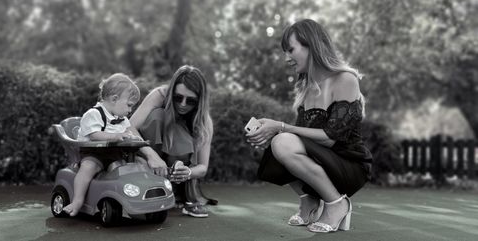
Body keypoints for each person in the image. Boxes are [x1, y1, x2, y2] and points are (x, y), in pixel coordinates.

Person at [246, 19, 372, 233]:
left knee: (283, 140)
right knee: (277, 144)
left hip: (349, 164)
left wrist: (281, 127)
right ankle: (309, 201)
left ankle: (337, 204)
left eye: (291, 50)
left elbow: (331, 137)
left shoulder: (345, 79)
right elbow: (301, 141)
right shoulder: (305, 88)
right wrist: (270, 133)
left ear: (311, 45)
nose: (287, 58)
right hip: (322, 164)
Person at [130, 65, 215, 218]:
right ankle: (151, 181)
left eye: (190, 101)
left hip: (177, 171)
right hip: (145, 158)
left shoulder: (204, 121)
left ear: (199, 101)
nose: (182, 104)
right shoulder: (159, 95)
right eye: (177, 98)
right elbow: (128, 128)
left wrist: (187, 173)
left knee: (182, 130)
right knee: (158, 115)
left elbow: (203, 167)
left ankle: (181, 194)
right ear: (170, 92)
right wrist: (151, 155)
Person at [63, 73, 142, 216]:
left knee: (124, 171)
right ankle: (77, 200)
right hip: (93, 153)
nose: (130, 111)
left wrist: (133, 139)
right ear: (114, 99)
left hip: (113, 154)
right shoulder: (94, 114)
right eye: (129, 105)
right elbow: (95, 135)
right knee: (88, 168)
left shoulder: (122, 118)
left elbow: (128, 132)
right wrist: (117, 136)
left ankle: (125, 200)